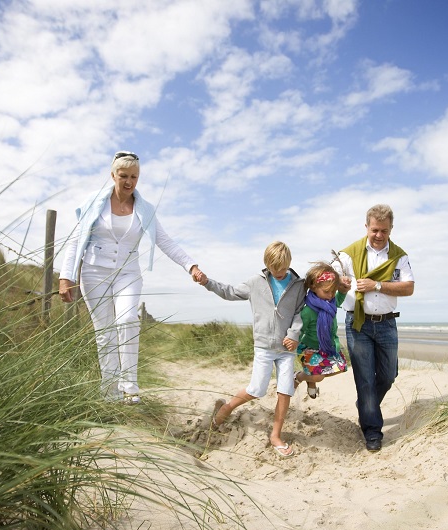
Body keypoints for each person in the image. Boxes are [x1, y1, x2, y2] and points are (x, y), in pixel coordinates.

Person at [58, 151, 206, 403]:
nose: (128, 182)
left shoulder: (145, 209)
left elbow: (165, 241)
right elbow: (75, 241)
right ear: (113, 175)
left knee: (127, 320)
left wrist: (190, 265)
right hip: (94, 272)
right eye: (123, 176)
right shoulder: (94, 202)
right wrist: (66, 276)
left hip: (128, 273)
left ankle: (130, 387)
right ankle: (109, 392)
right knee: (104, 331)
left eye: (134, 177)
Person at [199, 241, 305, 457]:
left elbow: (300, 313)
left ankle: (275, 435)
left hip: (286, 349)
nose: (279, 272)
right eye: (275, 269)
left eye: (283, 268)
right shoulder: (255, 283)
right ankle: (227, 408)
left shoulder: (298, 285)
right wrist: (207, 282)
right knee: (257, 389)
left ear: (289, 264)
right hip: (264, 347)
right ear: (267, 264)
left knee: (286, 391)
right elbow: (228, 291)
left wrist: (294, 335)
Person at [335, 204, 415, 452]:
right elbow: (329, 279)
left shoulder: (399, 256)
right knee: (366, 380)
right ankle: (372, 432)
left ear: (391, 229)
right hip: (358, 323)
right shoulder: (348, 254)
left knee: (389, 375)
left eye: (384, 230)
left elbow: (408, 287)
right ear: (366, 227)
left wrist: (377, 285)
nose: (379, 235)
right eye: (374, 230)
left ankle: (366, 407)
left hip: (387, 323)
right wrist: (340, 282)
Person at [293, 262, 349, 399]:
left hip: (326, 346)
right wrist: (293, 344)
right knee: (318, 376)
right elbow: (299, 330)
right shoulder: (308, 311)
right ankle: (298, 377)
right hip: (309, 348)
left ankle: (310, 378)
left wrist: (343, 289)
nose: (330, 295)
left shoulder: (331, 303)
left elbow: (340, 297)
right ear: (313, 287)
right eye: (326, 292)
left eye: (332, 291)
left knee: (340, 368)